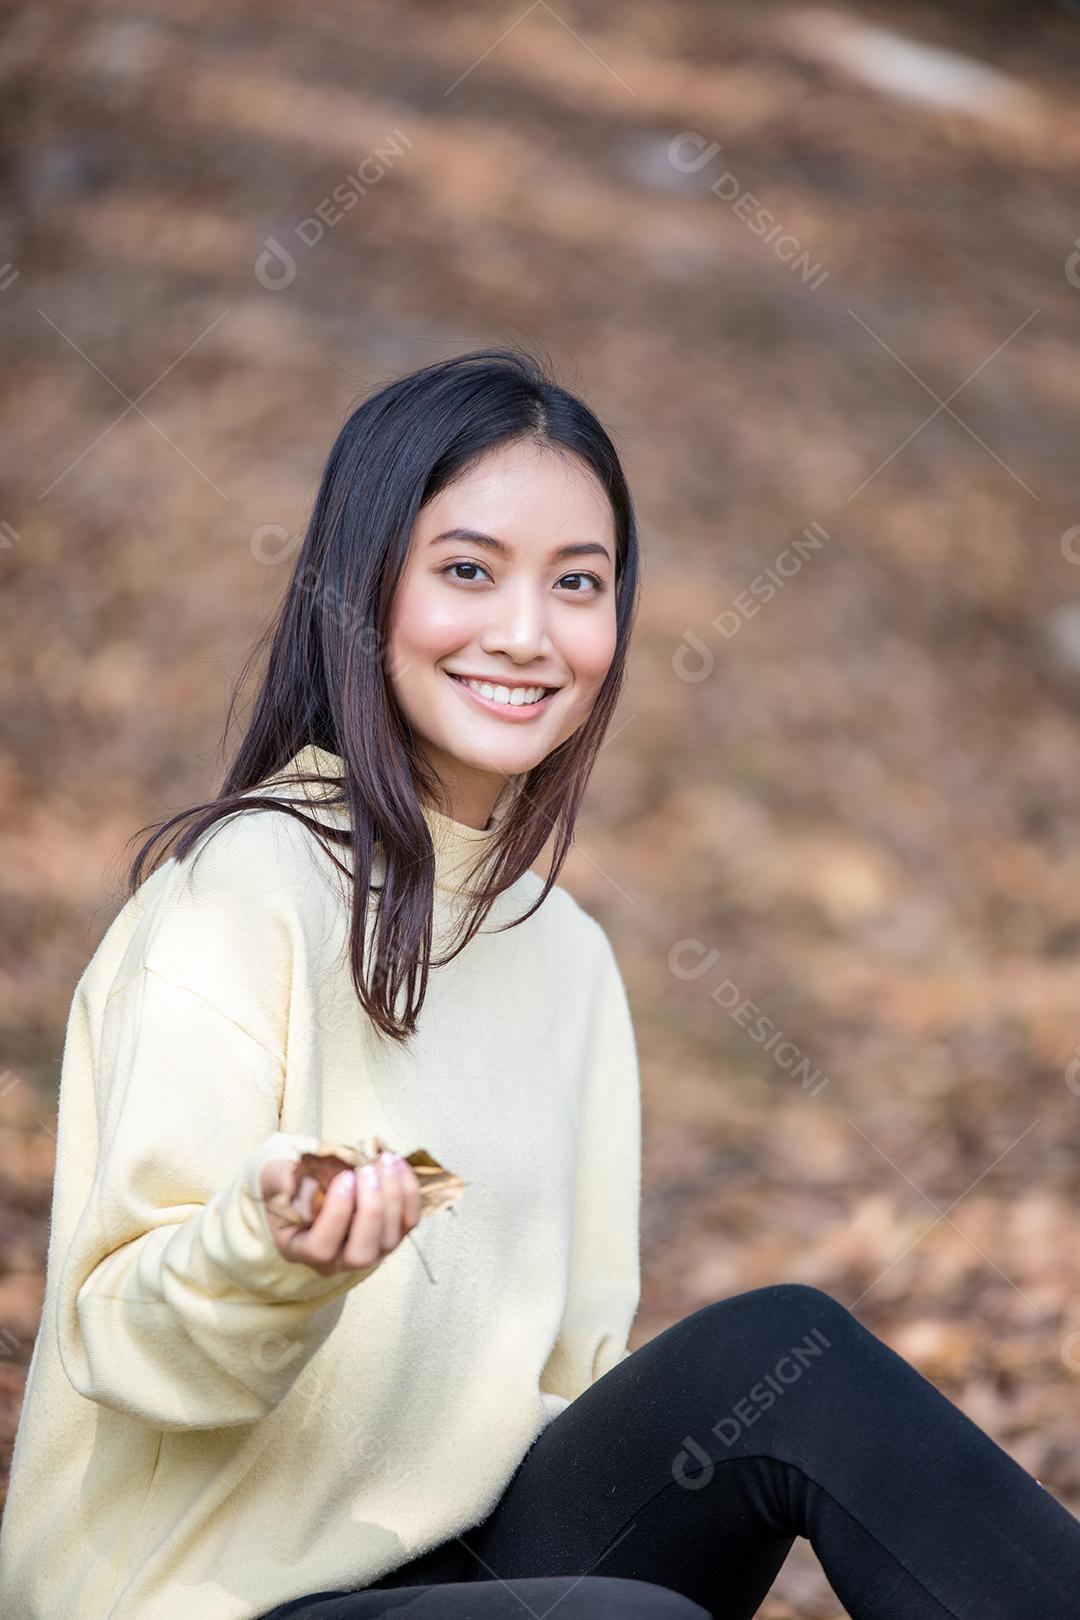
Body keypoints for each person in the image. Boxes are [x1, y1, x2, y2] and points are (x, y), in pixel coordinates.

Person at [2, 350, 1078, 1620]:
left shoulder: (564, 953)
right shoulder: (241, 894)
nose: (526, 632)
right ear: (362, 588)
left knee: (786, 1360)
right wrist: (270, 1255)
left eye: (578, 583)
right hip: (199, 1600)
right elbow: (119, 1347)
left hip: (456, 1570)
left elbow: (574, 1388)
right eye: (467, 571)